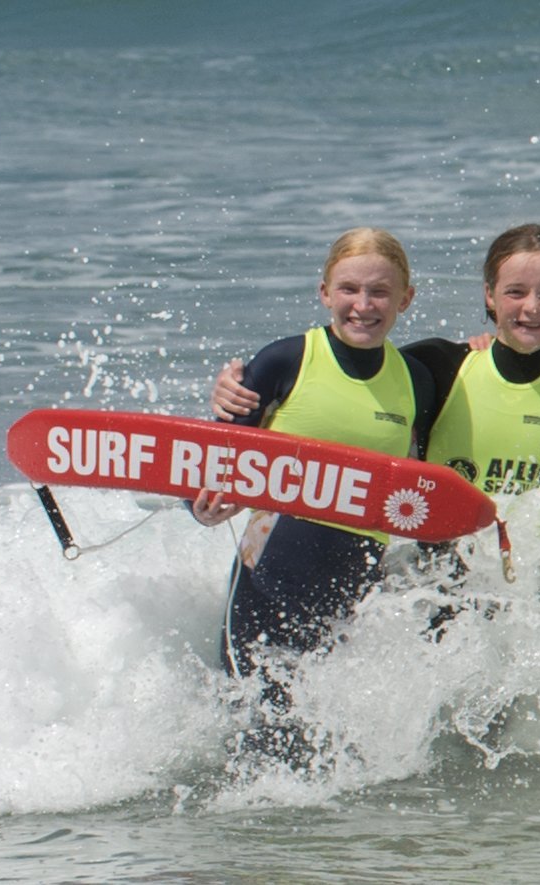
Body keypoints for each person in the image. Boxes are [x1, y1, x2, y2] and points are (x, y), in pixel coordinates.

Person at [212, 225, 540, 582]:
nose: (532, 307)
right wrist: (239, 387)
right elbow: (344, 382)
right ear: (489, 294)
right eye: (516, 291)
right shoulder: (438, 367)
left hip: (538, 599)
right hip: (434, 592)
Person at [199, 228, 445, 718]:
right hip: (269, 568)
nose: (363, 304)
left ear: (406, 299)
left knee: (326, 728)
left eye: (380, 291)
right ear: (325, 292)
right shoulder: (285, 360)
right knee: (252, 720)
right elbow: (214, 461)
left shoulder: (416, 379)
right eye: (349, 289)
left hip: (358, 576)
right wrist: (203, 509)